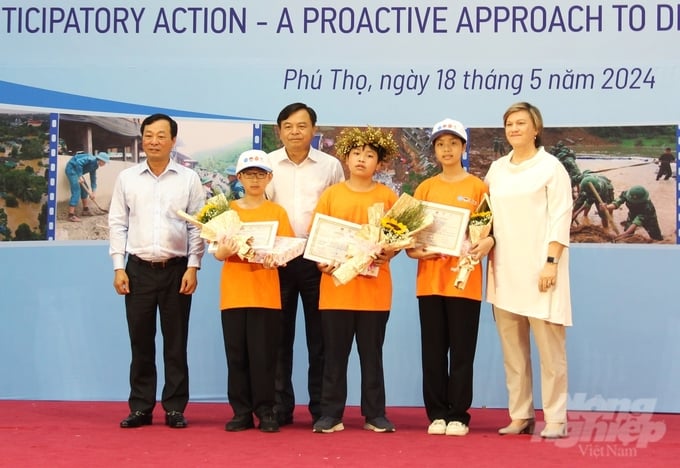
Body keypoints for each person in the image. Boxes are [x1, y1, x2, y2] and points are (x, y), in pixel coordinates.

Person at [480, 102, 572, 439]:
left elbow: (560, 218)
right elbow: (483, 216)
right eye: (509, 124)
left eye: (521, 123)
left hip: (542, 273)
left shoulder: (551, 168)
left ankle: (556, 418)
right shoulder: (497, 169)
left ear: (536, 129)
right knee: (513, 353)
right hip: (504, 273)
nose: (514, 128)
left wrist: (551, 262)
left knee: (550, 353)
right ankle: (520, 415)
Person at [109, 113, 205, 429]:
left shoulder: (188, 179)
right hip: (137, 270)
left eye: (161, 135)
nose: (154, 141)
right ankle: (141, 407)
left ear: (173, 140)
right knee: (141, 341)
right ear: (142, 138)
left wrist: (193, 266)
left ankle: (175, 407)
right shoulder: (127, 178)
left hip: (177, 270)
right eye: (149, 135)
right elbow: (118, 223)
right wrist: (118, 267)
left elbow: (197, 228)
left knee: (176, 343)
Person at [311, 127, 399, 434]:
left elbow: (397, 239)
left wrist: (390, 253)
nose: (362, 159)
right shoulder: (331, 195)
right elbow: (318, 237)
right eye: (357, 153)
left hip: (374, 291)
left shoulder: (387, 196)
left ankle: (375, 414)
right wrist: (321, 259)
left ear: (380, 163)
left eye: (370, 155)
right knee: (334, 355)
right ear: (346, 158)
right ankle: (330, 414)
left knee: (372, 355)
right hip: (336, 289)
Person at [406, 119, 490, 437]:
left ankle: (458, 414)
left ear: (463, 147)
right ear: (435, 150)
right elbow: (410, 241)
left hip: (464, 281)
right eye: (441, 144)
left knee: (462, 351)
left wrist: (482, 243)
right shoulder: (425, 189)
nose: (447, 149)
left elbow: (486, 233)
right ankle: (437, 413)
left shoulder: (478, 188)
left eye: (453, 143)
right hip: (429, 281)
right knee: (434, 350)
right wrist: (417, 252)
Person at [266, 103, 345, 426]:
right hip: (278, 260)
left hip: (317, 261)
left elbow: (336, 212)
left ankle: (322, 409)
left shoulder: (330, 166)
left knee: (321, 338)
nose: (295, 132)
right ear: (279, 131)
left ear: (314, 129)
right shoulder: (267, 164)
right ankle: (278, 407)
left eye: (301, 126)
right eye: (288, 126)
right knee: (277, 337)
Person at [214, 150, 295, 433]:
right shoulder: (228, 211)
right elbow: (216, 252)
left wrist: (277, 257)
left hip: (266, 295)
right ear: (239, 178)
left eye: (261, 174)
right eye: (249, 174)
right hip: (234, 294)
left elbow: (286, 250)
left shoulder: (277, 212)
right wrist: (227, 247)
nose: (255, 179)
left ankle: (267, 411)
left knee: (264, 357)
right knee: (236, 356)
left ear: (269, 178)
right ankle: (241, 412)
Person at [64, 151, 109, 221]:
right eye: (105, 162)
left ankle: (85, 210)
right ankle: (71, 215)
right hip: (72, 169)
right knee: (77, 191)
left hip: (78, 173)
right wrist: (80, 176)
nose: (105, 164)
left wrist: (93, 192)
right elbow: (78, 163)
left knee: (86, 189)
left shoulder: (95, 166)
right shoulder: (90, 159)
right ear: (101, 160)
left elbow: (93, 178)